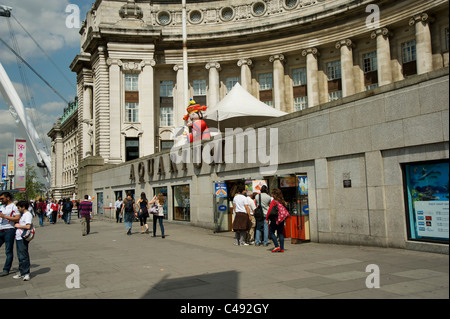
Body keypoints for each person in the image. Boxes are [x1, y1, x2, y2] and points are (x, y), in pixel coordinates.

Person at [0, 192, 20, 277]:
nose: (1, 200)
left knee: (8, 250)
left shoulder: (13, 207)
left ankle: (6, 269)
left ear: (7, 198)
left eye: (2, 199)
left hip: (9, 230)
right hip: (0, 230)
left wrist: (4, 216)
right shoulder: (1, 206)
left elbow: (17, 218)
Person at [13, 200, 33, 281]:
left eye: (18, 208)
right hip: (18, 237)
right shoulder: (23, 214)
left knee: (24, 255)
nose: (18, 209)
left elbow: (28, 226)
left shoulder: (27, 215)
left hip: (22, 237)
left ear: (23, 207)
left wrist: (18, 225)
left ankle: (26, 273)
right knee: (20, 255)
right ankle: (22, 272)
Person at [266, 188, 286, 253]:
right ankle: (282, 248)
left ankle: (277, 246)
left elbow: (269, 210)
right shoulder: (282, 201)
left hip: (275, 219)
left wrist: (267, 218)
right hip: (281, 220)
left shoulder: (274, 201)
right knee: (280, 233)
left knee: (271, 233)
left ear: (274, 194)